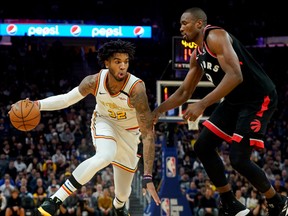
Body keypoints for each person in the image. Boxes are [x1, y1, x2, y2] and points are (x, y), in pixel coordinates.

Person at [152, 7, 288, 216]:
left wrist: (203, 103)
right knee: (203, 146)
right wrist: (157, 111)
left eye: (184, 23)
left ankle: (277, 202)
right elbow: (184, 92)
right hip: (234, 101)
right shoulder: (196, 55)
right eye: (180, 24)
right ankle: (229, 202)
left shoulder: (215, 36)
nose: (181, 27)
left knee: (238, 159)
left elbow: (235, 75)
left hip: (258, 98)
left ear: (199, 23)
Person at [10, 39, 161, 216]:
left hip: (130, 133)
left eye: (126, 62)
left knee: (123, 193)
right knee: (105, 156)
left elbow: (148, 135)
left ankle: (119, 208)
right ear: (107, 63)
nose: (122, 66)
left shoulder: (136, 90)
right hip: (106, 123)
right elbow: (67, 99)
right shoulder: (94, 81)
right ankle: (55, 200)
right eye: (117, 61)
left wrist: (148, 175)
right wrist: (37, 104)